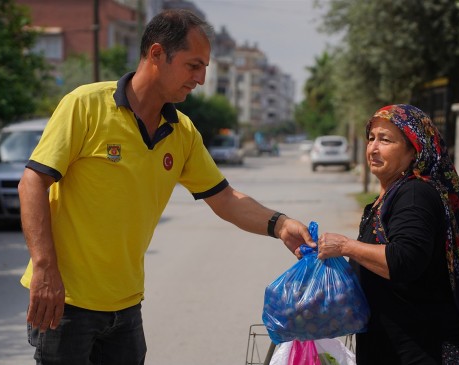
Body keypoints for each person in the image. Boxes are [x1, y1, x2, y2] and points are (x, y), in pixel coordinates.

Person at [17, 9, 313, 365]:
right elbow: (33, 181)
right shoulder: (86, 106)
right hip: (66, 303)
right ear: (156, 54)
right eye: (193, 65)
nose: (201, 78)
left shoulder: (182, 131)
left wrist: (280, 225)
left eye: (204, 67)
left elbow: (225, 198)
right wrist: (45, 269)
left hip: (126, 307)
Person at [317, 104, 459, 364]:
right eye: (371, 138)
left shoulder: (414, 194)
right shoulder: (389, 195)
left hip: (424, 351)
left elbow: (404, 260)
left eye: (385, 140)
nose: (373, 148)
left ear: (414, 150)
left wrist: (345, 246)